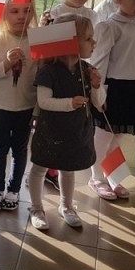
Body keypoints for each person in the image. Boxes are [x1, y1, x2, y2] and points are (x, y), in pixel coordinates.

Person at [27, 14, 104, 229]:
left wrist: (97, 86)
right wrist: (70, 103)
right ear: (70, 41)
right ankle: (36, 207)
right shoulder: (48, 71)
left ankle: (66, 206)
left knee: (68, 169)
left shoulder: (87, 70)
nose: (94, 42)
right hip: (50, 131)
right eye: (88, 38)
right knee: (39, 168)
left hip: (76, 130)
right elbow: (44, 102)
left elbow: (98, 103)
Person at [88, 0, 135, 200]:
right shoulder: (108, 27)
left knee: (118, 138)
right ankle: (96, 178)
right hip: (113, 91)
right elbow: (98, 64)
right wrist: (99, 94)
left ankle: (113, 177)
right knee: (102, 138)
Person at [0, 0, 38, 211]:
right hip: (1, 105)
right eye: (14, 11)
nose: (21, 16)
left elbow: (42, 71)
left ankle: (14, 189)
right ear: (4, 13)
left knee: (20, 149)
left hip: (26, 105)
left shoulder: (37, 38)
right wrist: (6, 64)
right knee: (0, 148)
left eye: (27, 10)